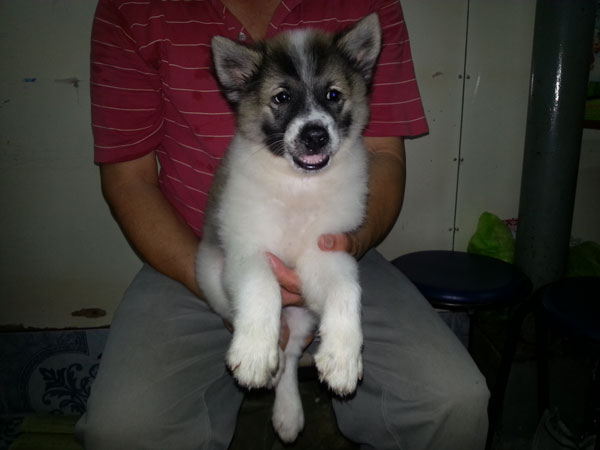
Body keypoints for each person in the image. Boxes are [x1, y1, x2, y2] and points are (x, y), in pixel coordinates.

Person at [76, 0, 490, 449]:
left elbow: (384, 158)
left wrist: (350, 249)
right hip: (191, 255)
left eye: (332, 96)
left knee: (456, 402)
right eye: (282, 98)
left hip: (343, 255)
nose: (313, 123)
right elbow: (130, 183)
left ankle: (293, 371)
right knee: (122, 431)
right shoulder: (133, 9)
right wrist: (237, 304)